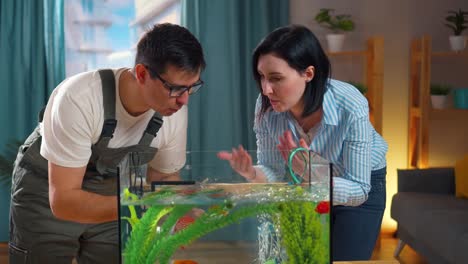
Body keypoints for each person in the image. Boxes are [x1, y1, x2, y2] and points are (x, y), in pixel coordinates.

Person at [9, 23, 205, 263]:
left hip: (115, 194)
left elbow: (164, 179)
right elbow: (63, 201)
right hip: (48, 190)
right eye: (174, 88)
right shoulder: (79, 98)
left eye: (191, 88)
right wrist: (146, 204)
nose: (183, 100)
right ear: (142, 73)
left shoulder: (172, 112)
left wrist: (179, 214)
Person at [218, 24, 388, 261]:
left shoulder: (350, 104)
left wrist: (312, 173)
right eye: (262, 77)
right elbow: (275, 172)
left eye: (276, 78)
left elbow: (358, 189)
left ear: (308, 73)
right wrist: (252, 173)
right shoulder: (266, 106)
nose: (266, 89)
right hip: (303, 182)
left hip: (360, 185)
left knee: (345, 259)